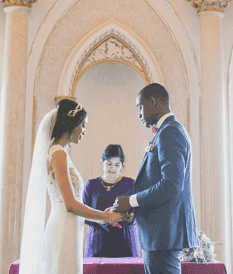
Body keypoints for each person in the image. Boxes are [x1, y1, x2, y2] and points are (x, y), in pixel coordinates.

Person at [18, 99, 124, 274]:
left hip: (68, 225)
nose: (84, 131)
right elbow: (70, 204)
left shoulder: (57, 152)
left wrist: (105, 216)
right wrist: (106, 216)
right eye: (83, 125)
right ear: (72, 124)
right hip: (63, 227)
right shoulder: (58, 153)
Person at [113, 83, 199, 274]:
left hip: (163, 235)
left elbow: (171, 185)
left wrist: (131, 201)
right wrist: (135, 210)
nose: (139, 113)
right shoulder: (166, 131)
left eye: (140, 107)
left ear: (153, 102)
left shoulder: (170, 132)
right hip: (158, 235)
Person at [83, 144, 139, 258]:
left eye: (117, 164)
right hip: (97, 243)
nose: (113, 168)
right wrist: (105, 218)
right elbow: (83, 215)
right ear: (102, 163)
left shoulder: (130, 184)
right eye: (109, 163)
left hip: (124, 242)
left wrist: (131, 218)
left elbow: (139, 212)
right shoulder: (91, 185)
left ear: (121, 166)